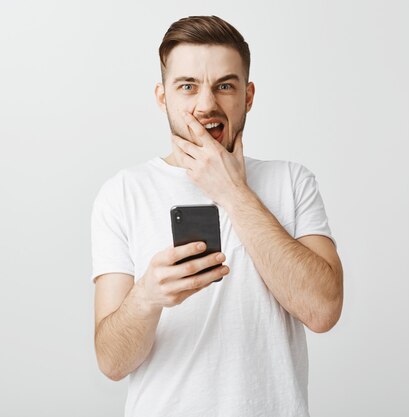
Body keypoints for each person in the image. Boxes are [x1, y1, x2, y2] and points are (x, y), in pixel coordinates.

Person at [90, 15, 343, 417]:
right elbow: (112, 362)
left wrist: (233, 192)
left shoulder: (292, 181)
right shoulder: (122, 193)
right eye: (187, 86)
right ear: (162, 97)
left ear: (248, 95)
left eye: (224, 85)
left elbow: (324, 310)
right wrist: (147, 297)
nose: (206, 104)